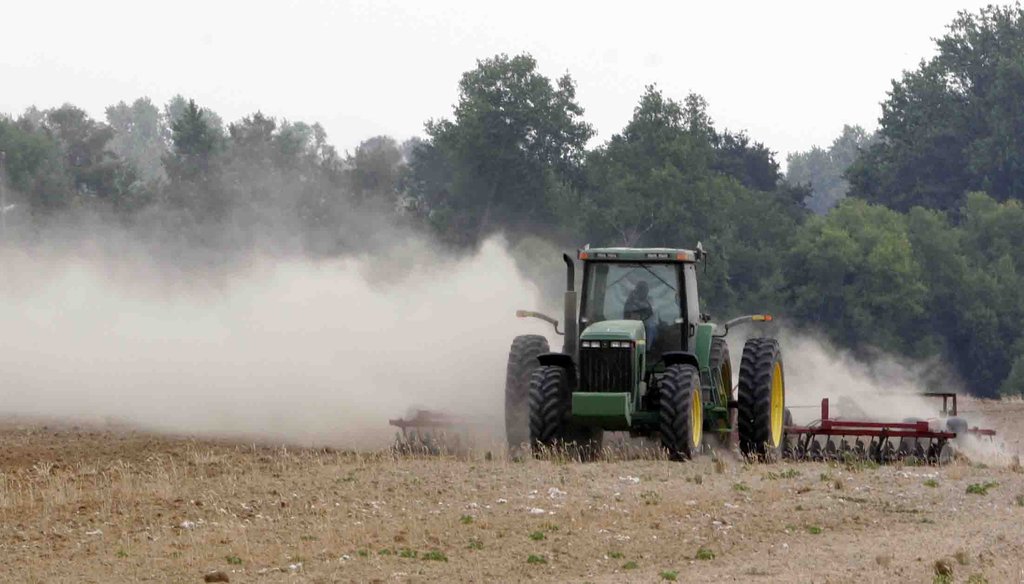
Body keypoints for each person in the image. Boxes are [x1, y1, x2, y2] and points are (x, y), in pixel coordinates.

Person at [623, 281, 658, 346]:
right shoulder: (630, 300)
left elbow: (651, 309)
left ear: (647, 291)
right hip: (632, 324)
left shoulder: (650, 300)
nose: (642, 292)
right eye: (640, 289)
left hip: (648, 324)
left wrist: (637, 303)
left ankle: (648, 349)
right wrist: (631, 300)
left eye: (644, 290)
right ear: (637, 290)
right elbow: (627, 312)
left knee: (650, 327)